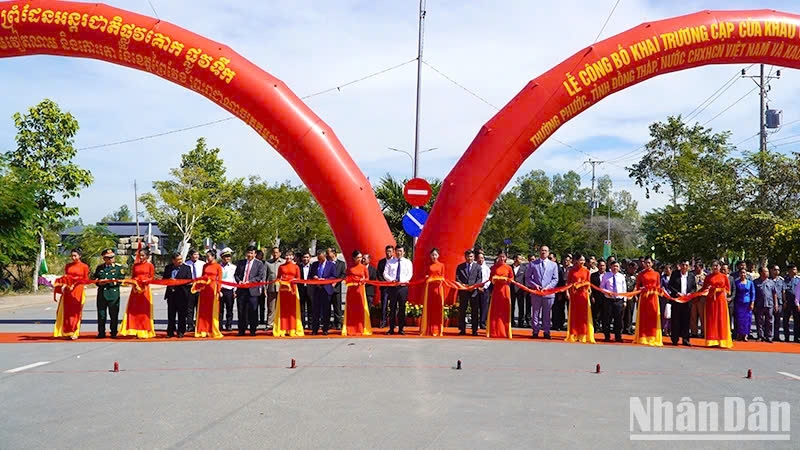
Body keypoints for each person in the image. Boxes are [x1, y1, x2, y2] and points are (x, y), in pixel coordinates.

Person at [54, 248, 90, 339]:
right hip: (68, 291)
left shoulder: (84, 266)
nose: (73, 257)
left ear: (80, 256)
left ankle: (74, 332)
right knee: (67, 311)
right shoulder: (68, 266)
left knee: (76, 312)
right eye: (72, 255)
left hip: (78, 290)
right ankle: (66, 332)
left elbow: (86, 279)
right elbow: (66, 277)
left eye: (75, 256)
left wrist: (79, 283)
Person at [119, 248, 156, 339]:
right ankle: (133, 329)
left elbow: (152, 278)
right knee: (133, 310)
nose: (141, 257)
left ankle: (144, 330)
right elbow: (133, 277)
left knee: (144, 310)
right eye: (140, 255)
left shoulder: (150, 265)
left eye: (143, 255)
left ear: (147, 256)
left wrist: (145, 281)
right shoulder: (135, 266)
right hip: (135, 290)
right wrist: (132, 282)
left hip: (145, 290)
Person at [525, 245, 559, 339]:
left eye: (545, 251)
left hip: (548, 293)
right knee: (535, 312)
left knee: (547, 313)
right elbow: (528, 277)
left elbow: (555, 279)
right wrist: (534, 285)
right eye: (542, 250)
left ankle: (546, 331)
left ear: (548, 253)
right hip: (536, 292)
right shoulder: (533, 264)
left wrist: (548, 287)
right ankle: (535, 331)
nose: (543, 252)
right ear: (539, 252)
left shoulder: (553, 265)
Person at [93, 248, 125, 339]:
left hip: (113, 293)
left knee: (114, 314)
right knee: (101, 314)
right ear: (104, 259)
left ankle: (114, 332)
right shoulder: (100, 268)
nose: (111, 259)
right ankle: (101, 332)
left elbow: (121, 280)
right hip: (102, 293)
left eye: (112, 257)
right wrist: (99, 282)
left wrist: (109, 282)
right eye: (108, 258)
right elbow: (95, 279)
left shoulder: (118, 268)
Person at [235, 245, 266, 336]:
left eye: (251, 253)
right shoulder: (241, 263)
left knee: (253, 310)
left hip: (252, 290)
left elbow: (259, 276)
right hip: (241, 290)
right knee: (241, 310)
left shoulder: (259, 264)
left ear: (255, 254)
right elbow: (236, 275)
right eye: (248, 252)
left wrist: (249, 282)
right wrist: (239, 281)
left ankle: (253, 329)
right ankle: (241, 330)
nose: (249, 255)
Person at [191, 250, 223, 338]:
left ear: (213, 257)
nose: (207, 258)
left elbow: (220, 279)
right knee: (203, 310)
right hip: (204, 289)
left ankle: (212, 330)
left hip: (213, 288)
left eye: (208, 256)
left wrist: (219, 290)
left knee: (212, 310)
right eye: (206, 256)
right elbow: (202, 277)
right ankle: (202, 329)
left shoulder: (218, 266)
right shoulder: (205, 266)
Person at [565, 254, 595, 343]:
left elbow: (589, 283)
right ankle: (573, 334)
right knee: (574, 315)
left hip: (583, 296)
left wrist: (584, 286)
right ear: (576, 261)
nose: (582, 262)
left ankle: (583, 335)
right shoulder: (572, 271)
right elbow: (568, 283)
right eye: (580, 260)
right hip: (574, 295)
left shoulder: (586, 271)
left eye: (583, 260)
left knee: (583, 316)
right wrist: (567, 292)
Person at [703, 260, 733, 348]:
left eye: (717, 266)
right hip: (711, 300)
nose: (715, 267)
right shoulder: (708, 277)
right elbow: (704, 288)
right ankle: (711, 341)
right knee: (711, 319)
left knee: (721, 319)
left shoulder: (724, 277)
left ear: (720, 267)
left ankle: (722, 340)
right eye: (713, 265)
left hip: (720, 300)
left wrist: (719, 290)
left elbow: (728, 290)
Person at [383, 245, 412, 335]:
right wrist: (392, 280)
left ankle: (401, 328)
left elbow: (409, 274)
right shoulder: (390, 262)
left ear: (404, 252)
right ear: (395, 252)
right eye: (397, 251)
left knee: (402, 308)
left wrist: (401, 281)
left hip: (403, 287)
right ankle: (391, 328)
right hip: (393, 287)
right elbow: (385, 273)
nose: (399, 253)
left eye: (401, 251)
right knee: (392, 308)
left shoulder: (408, 262)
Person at [633, 257, 662, 346]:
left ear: (652, 263)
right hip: (644, 298)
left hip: (653, 298)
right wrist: (641, 289)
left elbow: (658, 286)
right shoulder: (641, 274)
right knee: (643, 317)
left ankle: (653, 337)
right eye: (646, 263)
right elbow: (637, 286)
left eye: (649, 263)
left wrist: (655, 289)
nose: (647, 264)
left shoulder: (656, 274)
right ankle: (643, 337)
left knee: (653, 317)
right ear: (643, 264)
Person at [274, 251, 304, 337]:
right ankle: (282, 329)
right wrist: (280, 281)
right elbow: (278, 278)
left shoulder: (296, 267)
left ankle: (292, 329)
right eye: (287, 255)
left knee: (292, 310)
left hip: (293, 291)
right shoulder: (281, 267)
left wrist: (293, 281)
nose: (288, 257)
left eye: (290, 256)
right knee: (283, 310)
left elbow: (298, 279)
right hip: (283, 291)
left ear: (293, 257)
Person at [667, 260, 697, 346]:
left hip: (687, 301)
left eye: (686, 265)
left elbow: (694, 287)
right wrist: (677, 293)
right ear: (680, 265)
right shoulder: (675, 274)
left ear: (689, 267)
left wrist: (690, 293)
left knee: (686, 320)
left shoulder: (691, 275)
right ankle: (675, 339)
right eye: (683, 265)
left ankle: (685, 339)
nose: (684, 267)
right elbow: (670, 285)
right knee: (675, 319)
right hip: (677, 300)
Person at [342, 250, 372, 336]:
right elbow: (346, 277)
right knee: (351, 310)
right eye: (358, 257)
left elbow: (367, 278)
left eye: (361, 257)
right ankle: (350, 329)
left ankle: (361, 328)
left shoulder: (364, 268)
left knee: (360, 309)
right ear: (354, 258)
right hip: (351, 290)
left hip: (360, 290)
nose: (360, 259)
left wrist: (363, 280)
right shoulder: (350, 267)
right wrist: (349, 280)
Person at [163, 251, 192, 338]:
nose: (180, 261)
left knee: (182, 314)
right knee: (171, 314)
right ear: (173, 260)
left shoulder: (186, 268)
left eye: (181, 259)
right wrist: (169, 280)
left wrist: (178, 282)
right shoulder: (168, 268)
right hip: (171, 294)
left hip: (182, 294)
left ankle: (181, 331)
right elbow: (164, 279)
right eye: (178, 259)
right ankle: (170, 331)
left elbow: (189, 281)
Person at [487, 250, 514, 339]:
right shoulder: (494, 267)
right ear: (498, 257)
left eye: (503, 257)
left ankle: (505, 331)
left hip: (505, 290)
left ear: (506, 258)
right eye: (500, 256)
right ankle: (494, 331)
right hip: (496, 290)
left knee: (504, 310)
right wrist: (494, 279)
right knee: (495, 310)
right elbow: (490, 278)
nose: (502, 258)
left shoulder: (509, 268)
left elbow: (511, 278)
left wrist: (506, 280)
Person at [420, 248, 446, 337]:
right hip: (429, 289)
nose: (434, 256)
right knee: (429, 308)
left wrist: (437, 279)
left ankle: (437, 329)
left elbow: (443, 277)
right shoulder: (428, 265)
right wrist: (428, 277)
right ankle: (428, 329)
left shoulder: (442, 265)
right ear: (430, 256)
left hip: (438, 289)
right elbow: (425, 276)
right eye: (432, 255)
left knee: (437, 308)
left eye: (435, 255)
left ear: (438, 255)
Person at [456, 250, 482, 336]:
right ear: (465, 257)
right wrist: (462, 285)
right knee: (462, 310)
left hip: (473, 291)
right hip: (463, 291)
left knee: (474, 311)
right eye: (468, 256)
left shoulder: (478, 267)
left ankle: (474, 330)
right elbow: (457, 278)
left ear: (474, 257)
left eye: (471, 256)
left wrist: (473, 286)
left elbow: (479, 279)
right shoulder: (460, 267)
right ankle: (462, 329)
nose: (469, 258)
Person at [310, 249, 336, 335]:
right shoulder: (314, 265)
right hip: (317, 289)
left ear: (325, 257)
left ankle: (325, 329)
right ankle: (315, 329)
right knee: (315, 310)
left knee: (326, 310)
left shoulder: (331, 265)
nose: (319, 260)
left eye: (321, 258)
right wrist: (314, 277)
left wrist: (325, 280)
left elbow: (334, 276)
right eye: (318, 258)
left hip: (326, 289)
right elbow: (310, 275)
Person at [600, 260, 627, 342]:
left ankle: (618, 336)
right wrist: (608, 292)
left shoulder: (622, 276)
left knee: (618, 319)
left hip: (619, 300)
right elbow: (601, 287)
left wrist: (625, 300)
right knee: (607, 319)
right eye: (614, 266)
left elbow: (624, 289)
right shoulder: (606, 276)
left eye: (617, 266)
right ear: (610, 267)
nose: (615, 268)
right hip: (608, 300)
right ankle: (607, 336)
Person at [753, 267, 778, 343]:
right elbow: (753, 294)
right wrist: (753, 305)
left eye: (767, 271)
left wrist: (776, 304)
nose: (767, 273)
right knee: (759, 321)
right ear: (761, 273)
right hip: (759, 304)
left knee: (770, 321)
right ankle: (760, 336)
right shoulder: (755, 282)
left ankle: (769, 337)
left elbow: (774, 294)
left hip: (769, 304)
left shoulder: (771, 282)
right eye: (766, 271)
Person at [264, 247, 285, 331]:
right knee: (271, 307)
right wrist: (264, 288)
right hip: (271, 288)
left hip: (282, 288)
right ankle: (270, 324)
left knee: (281, 307)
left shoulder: (283, 262)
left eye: (277, 252)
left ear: (280, 253)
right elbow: (265, 276)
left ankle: (281, 323)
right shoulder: (267, 263)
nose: (275, 254)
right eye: (274, 252)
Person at [184, 249, 205, 332]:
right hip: (190, 287)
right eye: (194, 254)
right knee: (190, 307)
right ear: (190, 255)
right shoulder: (186, 264)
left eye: (197, 254)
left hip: (200, 287)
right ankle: (189, 324)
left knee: (199, 307)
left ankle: (199, 324)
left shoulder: (203, 264)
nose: (195, 256)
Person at [733, 268, 756, 342]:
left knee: (747, 319)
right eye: (741, 273)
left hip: (747, 303)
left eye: (744, 273)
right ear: (739, 274)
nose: (743, 274)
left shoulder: (750, 283)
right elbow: (734, 292)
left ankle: (746, 335)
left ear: (746, 274)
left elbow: (753, 293)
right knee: (739, 320)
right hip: (738, 303)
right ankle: (739, 334)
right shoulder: (736, 282)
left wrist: (752, 302)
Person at [327, 248, 346, 330]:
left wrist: (336, 282)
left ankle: (338, 323)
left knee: (337, 306)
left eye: (329, 252)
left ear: (334, 253)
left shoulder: (341, 264)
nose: (328, 254)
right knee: (327, 307)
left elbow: (343, 274)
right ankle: (327, 323)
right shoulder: (327, 263)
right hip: (327, 288)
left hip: (337, 288)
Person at [219, 248, 237, 331]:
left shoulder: (233, 267)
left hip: (229, 290)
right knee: (220, 309)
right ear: (222, 257)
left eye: (229, 256)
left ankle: (228, 324)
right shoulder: (218, 267)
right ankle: (219, 324)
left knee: (229, 309)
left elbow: (234, 279)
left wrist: (235, 290)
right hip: (221, 289)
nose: (227, 258)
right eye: (225, 256)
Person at [376, 245, 394, 328]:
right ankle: (383, 321)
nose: (388, 253)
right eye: (387, 251)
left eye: (390, 251)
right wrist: (384, 282)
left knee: (393, 305)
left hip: (394, 286)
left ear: (393, 252)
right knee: (384, 305)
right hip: (384, 287)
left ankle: (393, 321)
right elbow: (378, 273)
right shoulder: (381, 262)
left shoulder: (396, 261)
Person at [781, 264, 800, 343]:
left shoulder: (798, 280)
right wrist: (784, 301)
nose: (795, 271)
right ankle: (787, 337)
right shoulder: (784, 280)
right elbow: (783, 291)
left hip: (796, 303)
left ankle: (796, 337)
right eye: (793, 269)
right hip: (787, 302)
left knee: (797, 321)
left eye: (796, 269)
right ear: (789, 271)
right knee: (786, 320)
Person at [510, 254, 528, 328]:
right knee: (512, 306)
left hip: (520, 290)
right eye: (519, 259)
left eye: (521, 259)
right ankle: (511, 321)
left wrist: (525, 289)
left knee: (521, 306)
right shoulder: (510, 267)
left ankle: (521, 321)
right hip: (511, 289)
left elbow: (525, 279)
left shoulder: (524, 268)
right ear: (515, 259)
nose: (520, 260)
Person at [297, 252, 313, 329]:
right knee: (301, 308)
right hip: (301, 290)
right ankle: (302, 324)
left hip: (311, 290)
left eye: (307, 257)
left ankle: (310, 324)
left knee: (311, 308)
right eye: (304, 257)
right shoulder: (298, 267)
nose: (305, 259)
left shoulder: (313, 267)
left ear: (310, 258)